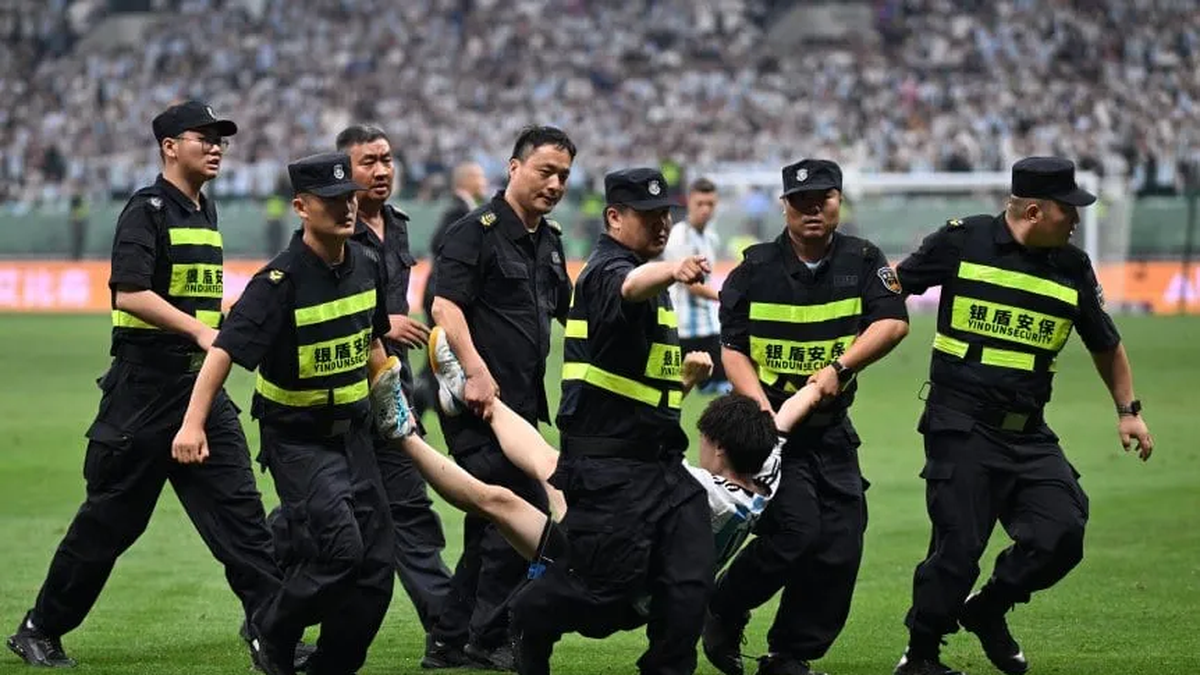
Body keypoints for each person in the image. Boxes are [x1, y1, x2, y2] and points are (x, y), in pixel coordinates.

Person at [5, 101, 283, 669]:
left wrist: (219, 328)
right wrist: (203, 333)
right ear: (168, 147)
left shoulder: (207, 209)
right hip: (143, 393)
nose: (216, 148)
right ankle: (40, 627)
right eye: (203, 138)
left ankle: (270, 632)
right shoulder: (147, 210)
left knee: (243, 519)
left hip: (198, 388)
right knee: (109, 524)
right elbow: (128, 291)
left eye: (220, 140)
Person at [890, 157, 1155, 675]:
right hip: (959, 426)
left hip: (1029, 434)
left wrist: (1128, 411)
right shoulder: (961, 241)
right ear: (1034, 211)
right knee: (957, 549)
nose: (1076, 221)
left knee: (1062, 532)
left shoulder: (1073, 266)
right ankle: (920, 656)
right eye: (1068, 211)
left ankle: (989, 608)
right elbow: (891, 287)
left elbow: (1106, 344)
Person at [371, 334, 824, 601]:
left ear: (720, 451)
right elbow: (784, 419)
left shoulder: (701, 491)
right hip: (633, 545)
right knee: (552, 465)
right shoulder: (763, 478)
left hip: (614, 574)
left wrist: (684, 383)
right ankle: (473, 394)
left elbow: (647, 447)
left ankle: (401, 432)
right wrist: (827, 378)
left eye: (704, 442)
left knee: (500, 500)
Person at [171, 152, 396, 675]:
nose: (347, 210)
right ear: (301, 206)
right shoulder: (278, 282)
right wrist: (192, 422)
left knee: (377, 563)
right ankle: (271, 630)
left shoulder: (366, 261)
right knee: (341, 552)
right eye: (333, 201)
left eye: (351, 199)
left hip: (356, 435)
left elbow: (373, 341)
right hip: (298, 441)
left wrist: (393, 409)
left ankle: (332, 665)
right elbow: (224, 352)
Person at [704, 159, 910, 675]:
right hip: (772, 432)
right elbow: (732, 349)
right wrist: (763, 412)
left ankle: (788, 655)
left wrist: (836, 370)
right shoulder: (754, 269)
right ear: (785, 207)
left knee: (841, 544)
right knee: (796, 531)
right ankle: (724, 607)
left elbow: (892, 322)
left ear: (839, 201)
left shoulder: (864, 261)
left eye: (823, 199)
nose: (813, 210)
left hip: (832, 429)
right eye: (801, 202)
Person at [509, 167, 715, 675]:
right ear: (614, 218)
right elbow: (628, 287)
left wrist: (684, 378)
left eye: (666, 215)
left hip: (662, 470)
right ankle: (528, 613)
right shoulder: (607, 271)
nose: (661, 225)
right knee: (603, 601)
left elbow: (634, 386)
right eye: (648, 217)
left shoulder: (649, 274)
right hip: (611, 477)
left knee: (689, 583)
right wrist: (671, 271)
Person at [426, 126, 574, 669]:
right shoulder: (475, 232)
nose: (554, 183)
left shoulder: (549, 240)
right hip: (479, 404)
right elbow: (446, 307)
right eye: (545, 171)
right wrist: (477, 372)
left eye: (563, 175)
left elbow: (569, 312)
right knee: (525, 515)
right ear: (514, 168)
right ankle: (489, 638)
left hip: (522, 408)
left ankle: (448, 639)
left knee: (490, 521)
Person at [336, 124, 454, 645]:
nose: (382, 170)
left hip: (392, 388)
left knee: (409, 508)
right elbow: (325, 309)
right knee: (328, 514)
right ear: (344, 171)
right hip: (338, 395)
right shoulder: (329, 230)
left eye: (386, 159)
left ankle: (447, 632)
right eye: (368, 162)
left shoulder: (398, 226)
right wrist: (384, 325)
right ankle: (272, 604)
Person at [415, 161, 489, 418]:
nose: (484, 180)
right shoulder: (457, 211)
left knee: (437, 356)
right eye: (478, 176)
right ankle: (424, 401)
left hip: (440, 289)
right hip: (442, 292)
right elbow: (439, 243)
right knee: (443, 351)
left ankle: (421, 400)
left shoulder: (464, 209)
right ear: (465, 180)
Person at [665, 177, 729, 394]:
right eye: (699, 203)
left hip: (708, 324)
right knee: (681, 387)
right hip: (684, 327)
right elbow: (691, 284)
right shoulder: (678, 236)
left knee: (721, 386)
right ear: (689, 203)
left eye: (710, 204)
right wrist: (725, 297)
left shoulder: (711, 237)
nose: (705, 209)